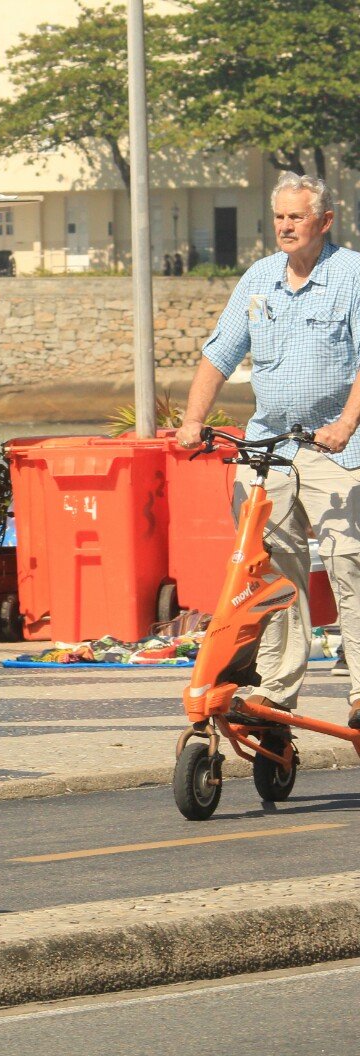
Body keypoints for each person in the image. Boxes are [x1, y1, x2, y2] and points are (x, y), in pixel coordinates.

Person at [177, 172, 360, 728]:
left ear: (324, 222)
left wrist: (347, 424)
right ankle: (278, 694)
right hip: (269, 448)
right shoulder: (258, 279)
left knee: (350, 563)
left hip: (337, 447)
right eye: (279, 216)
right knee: (275, 575)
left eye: (296, 217)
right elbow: (220, 353)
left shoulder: (352, 274)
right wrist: (192, 420)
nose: (285, 225)